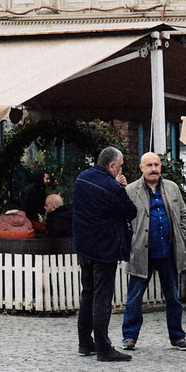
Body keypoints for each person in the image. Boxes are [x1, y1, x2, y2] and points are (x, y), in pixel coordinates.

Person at [120, 151, 186, 352]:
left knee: (173, 297)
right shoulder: (131, 190)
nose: (153, 169)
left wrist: (181, 237)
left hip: (168, 251)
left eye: (156, 165)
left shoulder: (172, 188)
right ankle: (129, 337)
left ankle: (177, 337)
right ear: (141, 168)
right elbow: (123, 220)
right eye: (149, 165)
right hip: (142, 251)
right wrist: (131, 242)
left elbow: (183, 215)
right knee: (134, 298)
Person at [69, 148, 136, 361]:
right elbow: (130, 211)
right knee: (102, 297)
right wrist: (121, 187)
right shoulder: (112, 187)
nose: (121, 169)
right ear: (111, 166)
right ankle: (103, 347)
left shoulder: (82, 178)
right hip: (105, 247)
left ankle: (84, 342)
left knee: (87, 293)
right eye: (120, 166)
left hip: (84, 245)